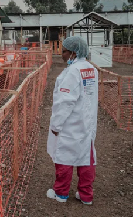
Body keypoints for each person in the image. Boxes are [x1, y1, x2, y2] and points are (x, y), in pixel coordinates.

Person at [46, 36, 98, 206]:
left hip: (71, 122)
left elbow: (65, 101)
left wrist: (56, 125)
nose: (61, 55)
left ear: (73, 53)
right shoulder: (91, 69)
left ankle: (60, 193)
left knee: (64, 158)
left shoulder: (72, 72)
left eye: (64, 52)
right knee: (86, 158)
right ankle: (86, 195)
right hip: (87, 122)